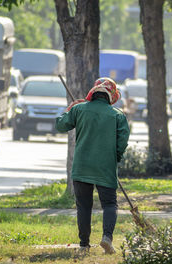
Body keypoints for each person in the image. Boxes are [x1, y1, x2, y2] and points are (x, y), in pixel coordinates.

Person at [55, 77, 130, 254]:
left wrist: (69, 110)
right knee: (110, 204)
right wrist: (114, 158)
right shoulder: (117, 115)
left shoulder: (79, 109)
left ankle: (83, 245)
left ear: (93, 92)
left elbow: (60, 125)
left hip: (82, 167)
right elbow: (122, 142)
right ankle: (107, 238)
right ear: (111, 96)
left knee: (84, 206)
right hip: (105, 167)